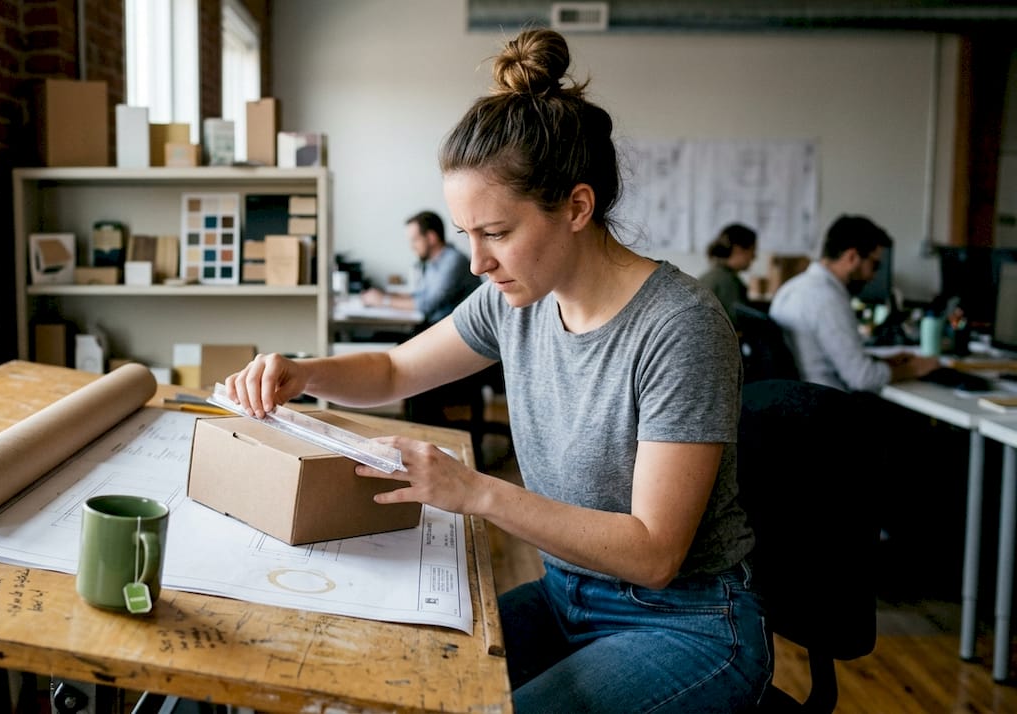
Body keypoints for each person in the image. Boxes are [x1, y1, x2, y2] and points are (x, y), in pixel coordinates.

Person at [226, 29, 771, 712]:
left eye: (498, 233)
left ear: (577, 207)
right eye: (467, 236)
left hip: (685, 623)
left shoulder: (680, 327)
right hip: (567, 595)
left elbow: (654, 552)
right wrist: (302, 372)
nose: (478, 262)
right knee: (382, 685)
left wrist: (473, 490)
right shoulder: (516, 298)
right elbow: (395, 370)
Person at [769, 215, 938, 392]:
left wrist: (883, 362)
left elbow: (830, 358)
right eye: (875, 265)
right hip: (826, 408)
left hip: (798, 400)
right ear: (852, 257)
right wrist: (916, 368)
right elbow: (862, 378)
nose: (873, 276)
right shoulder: (827, 299)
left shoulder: (792, 288)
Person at [361, 210, 480, 325]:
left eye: (415, 240)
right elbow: (421, 294)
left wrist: (383, 301)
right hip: (438, 326)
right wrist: (387, 294)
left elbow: (427, 304)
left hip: (450, 333)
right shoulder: (432, 261)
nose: (412, 247)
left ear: (431, 238)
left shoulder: (454, 261)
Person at [698, 223, 757, 324]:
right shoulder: (728, 281)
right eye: (752, 250)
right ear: (738, 250)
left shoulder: (710, 275)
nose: (754, 257)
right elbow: (737, 322)